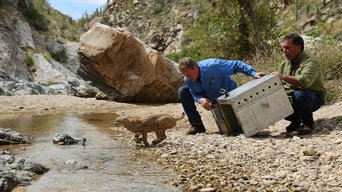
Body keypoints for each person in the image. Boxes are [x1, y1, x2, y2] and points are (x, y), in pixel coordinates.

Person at [178, 57, 265, 135]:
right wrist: (200, 99)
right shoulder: (188, 80)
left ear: (195, 67)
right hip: (213, 101)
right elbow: (194, 93)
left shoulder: (213, 66)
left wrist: (253, 73)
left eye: (189, 74)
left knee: (240, 127)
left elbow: (237, 65)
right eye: (185, 75)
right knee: (183, 91)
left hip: (230, 96)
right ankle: (197, 126)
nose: (188, 78)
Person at [273, 33, 326, 135]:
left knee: (299, 95)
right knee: (274, 100)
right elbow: (278, 83)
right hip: (293, 96)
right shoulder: (284, 64)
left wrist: (283, 77)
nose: (284, 51)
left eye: (287, 48)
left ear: (298, 48)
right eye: (283, 48)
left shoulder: (310, 62)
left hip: (312, 97)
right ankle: (297, 120)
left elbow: (305, 82)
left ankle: (308, 124)